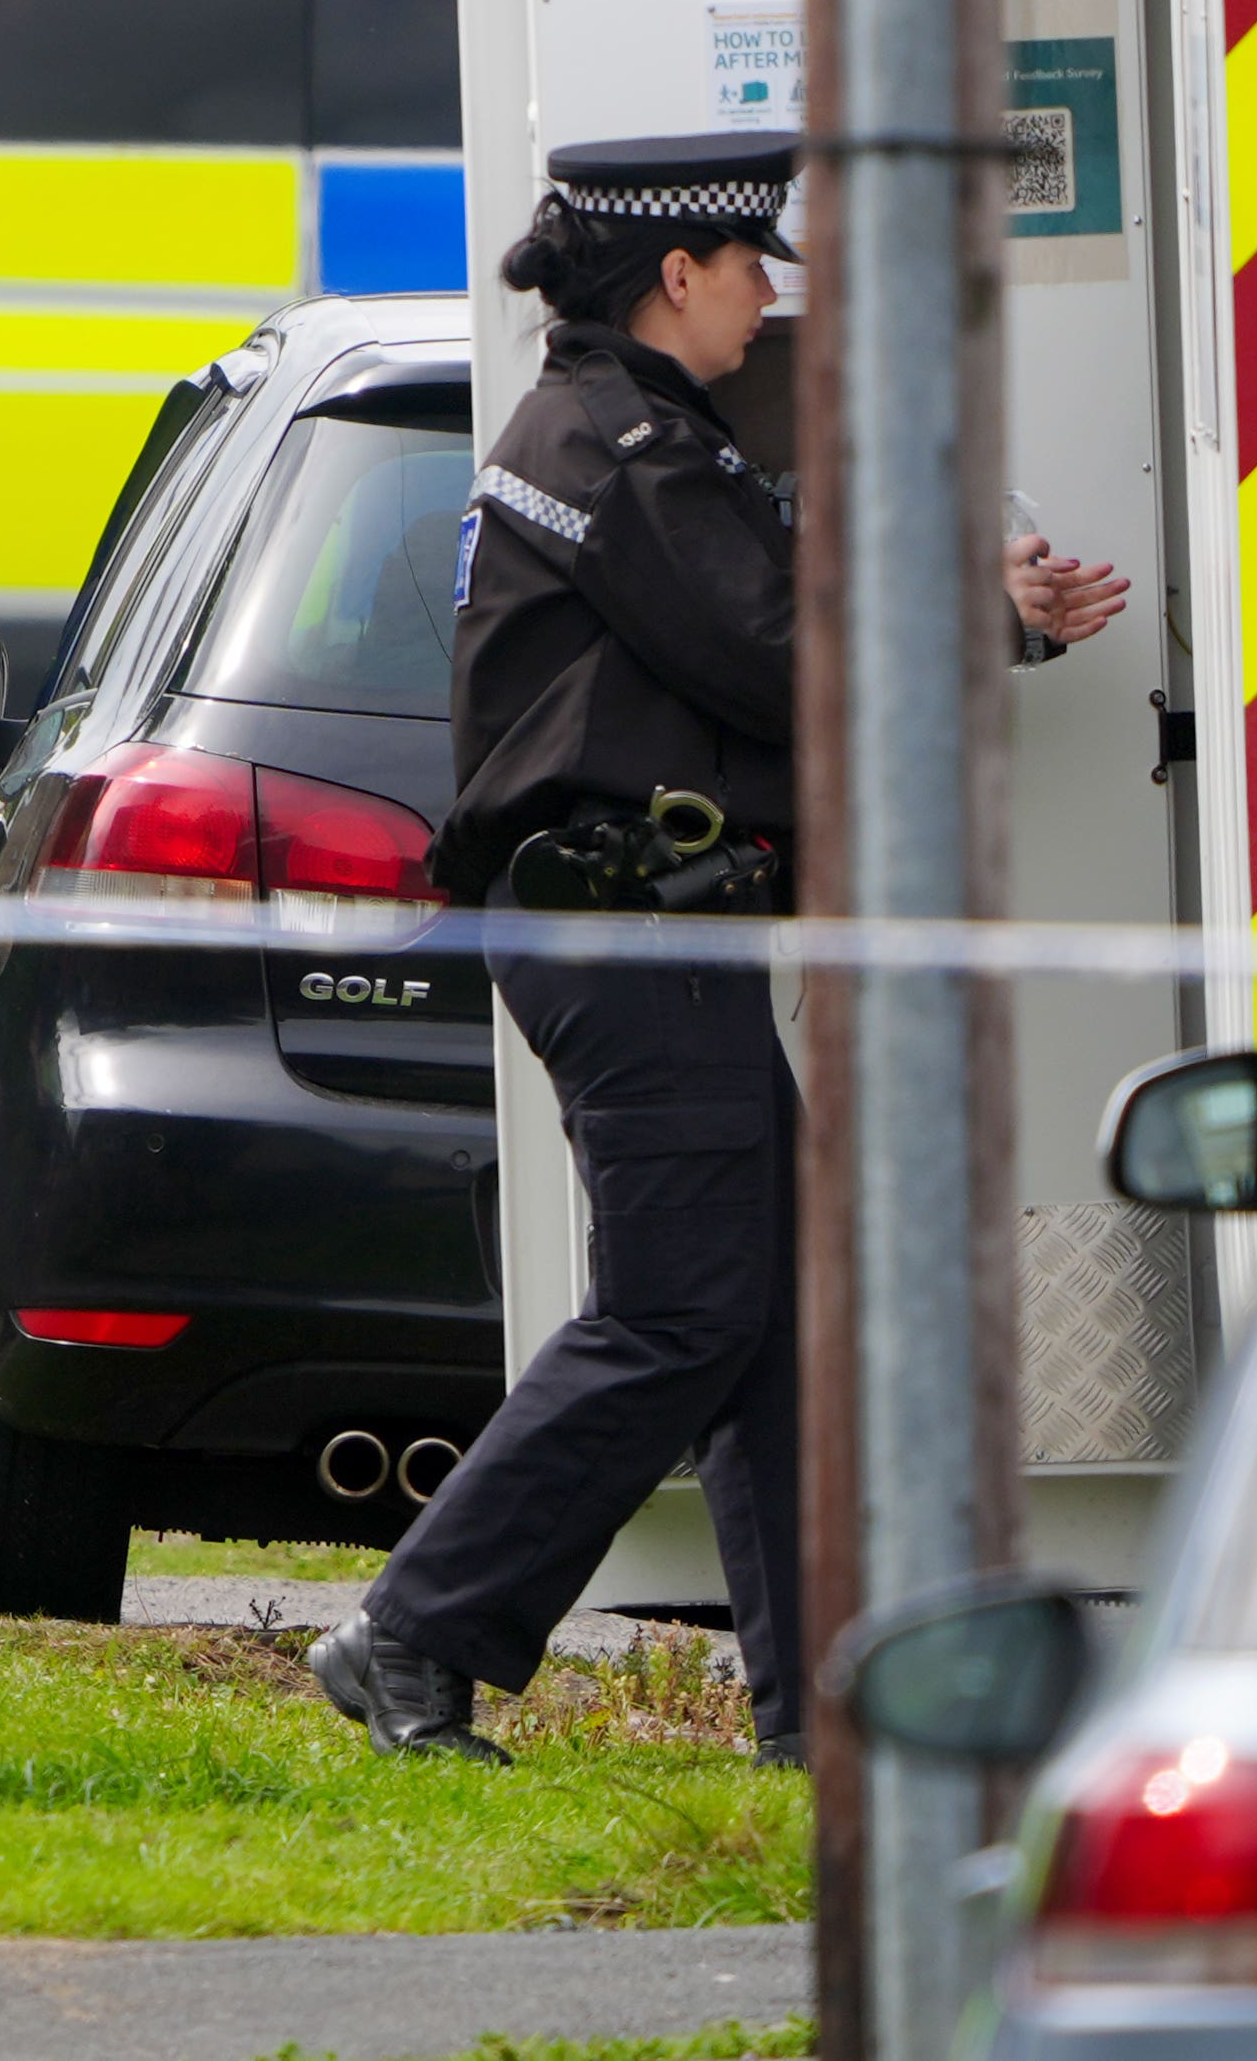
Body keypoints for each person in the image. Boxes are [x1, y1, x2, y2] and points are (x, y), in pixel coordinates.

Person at [308, 131, 1120, 1767]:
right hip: (620, 933)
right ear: (673, 275)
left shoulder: (633, 434)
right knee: (684, 1314)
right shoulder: (614, 443)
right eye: (750, 268)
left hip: (650, 929)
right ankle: (414, 1630)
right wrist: (991, 620)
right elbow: (774, 652)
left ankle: (816, 1712)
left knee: (768, 1314)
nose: (764, 298)